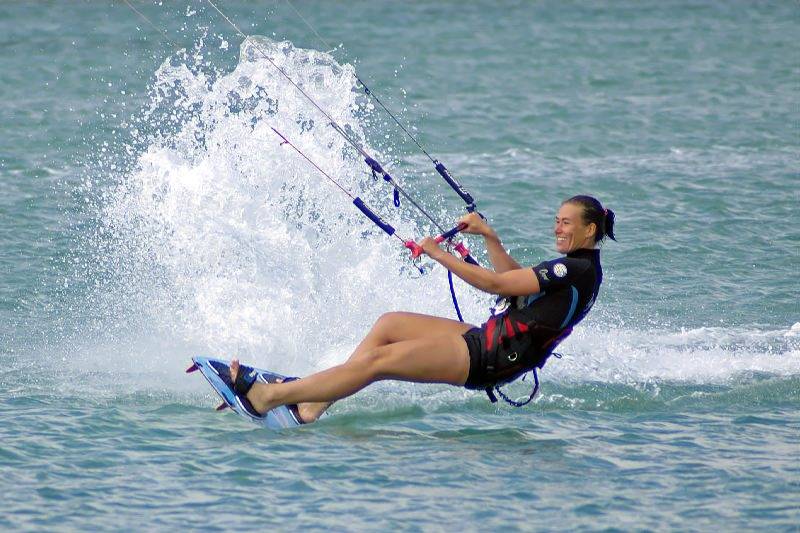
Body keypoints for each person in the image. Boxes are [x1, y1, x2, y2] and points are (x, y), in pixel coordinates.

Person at [230, 195, 615, 423]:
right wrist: (489, 236)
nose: (557, 228)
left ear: (590, 230)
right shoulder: (579, 269)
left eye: (566, 223)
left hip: (492, 358)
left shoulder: (576, 269)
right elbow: (514, 281)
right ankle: (312, 405)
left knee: (378, 362)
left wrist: (437, 253)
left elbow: (496, 285)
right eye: (556, 221)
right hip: (492, 341)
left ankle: (270, 397)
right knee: (390, 324)